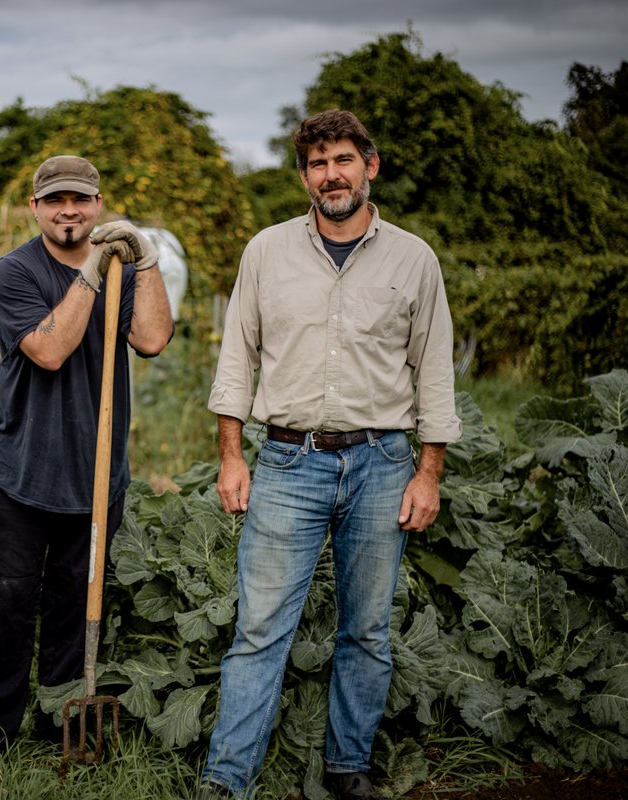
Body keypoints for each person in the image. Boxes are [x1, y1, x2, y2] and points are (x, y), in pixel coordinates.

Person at [194, 110, 462, 800]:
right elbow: (237, 360)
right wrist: (232, 455)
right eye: (317, 163)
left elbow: (434, 370)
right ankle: (229, 780)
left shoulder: (413, 258)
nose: (331, 174)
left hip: (382, 464)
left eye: (343, 159)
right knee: (259, 630)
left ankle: (347, 769)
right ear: (304, 176)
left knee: (367, 630)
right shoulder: (266, 252)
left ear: (370, 166)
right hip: (287, 464)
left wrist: (428, 472)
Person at [0, 155, 174, 752]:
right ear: (36, 208)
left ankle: (61, 729)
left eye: (80, 200)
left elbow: (153, 338)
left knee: (71, 615)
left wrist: (146, 260)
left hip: (96, 478)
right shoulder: (12, 272)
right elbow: (50, 350)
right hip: (21, 477)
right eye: (55, 201)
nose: (69, 211)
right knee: (2, 614)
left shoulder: (126, 273)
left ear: (98, 204)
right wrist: (91, 271)